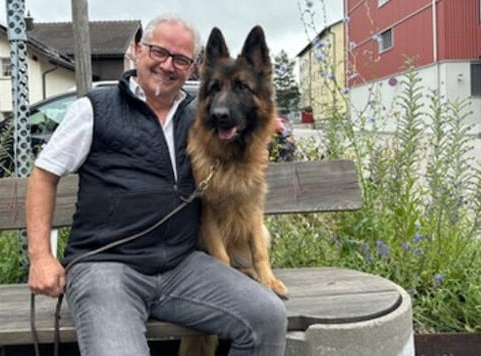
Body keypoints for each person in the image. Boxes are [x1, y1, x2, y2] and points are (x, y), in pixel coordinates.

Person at [25, 13, 287, 356]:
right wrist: (41, 257)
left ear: (193, 67)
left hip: (182, 264)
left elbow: (247, 143)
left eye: (180, 59)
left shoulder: (200, 115)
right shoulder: (95, 108)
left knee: (267, 318)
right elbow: (43, 175)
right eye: (158, 52)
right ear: (137, 50)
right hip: (107, 266)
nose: (167, 65)